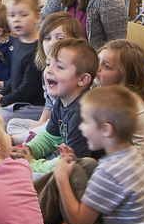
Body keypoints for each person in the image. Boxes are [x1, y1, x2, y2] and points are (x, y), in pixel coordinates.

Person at [39, 86, 144, 224]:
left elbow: (79, 223)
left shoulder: (110, 172)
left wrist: (61, 178)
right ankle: (38, 221)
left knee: (69, 174)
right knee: (85, 163)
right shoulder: (128, 154)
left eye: (85, 122)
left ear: (106, 130)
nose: (80, 127)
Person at [22, 37, 101, 175]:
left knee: (26, 176)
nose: (49, 70)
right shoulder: (61, 100)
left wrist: (32, 163)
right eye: (48, 64)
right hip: (69, 161)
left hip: (90, 174)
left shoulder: (82, 113)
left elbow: (71, 163)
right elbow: (50, 136)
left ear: (83, 79)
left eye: (59, 67)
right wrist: (29, 149)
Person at [3, 11, 85, 144]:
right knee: (13, 124)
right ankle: (30, 141)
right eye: (47, 38)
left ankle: (26, 142)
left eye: (60, 38)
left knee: (7, 120)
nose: (52, 43)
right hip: (53, 121)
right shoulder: (47, 70)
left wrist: (43, 126)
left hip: (64, 124)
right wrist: (41, 122)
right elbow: (49, 102)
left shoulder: (74, 72)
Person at [96, 39, 144, 173]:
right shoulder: (102, 90)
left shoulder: (130, 108)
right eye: (98, 61)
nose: (97, 68)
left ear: (124, 76)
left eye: (106, 66)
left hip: (130, 177)